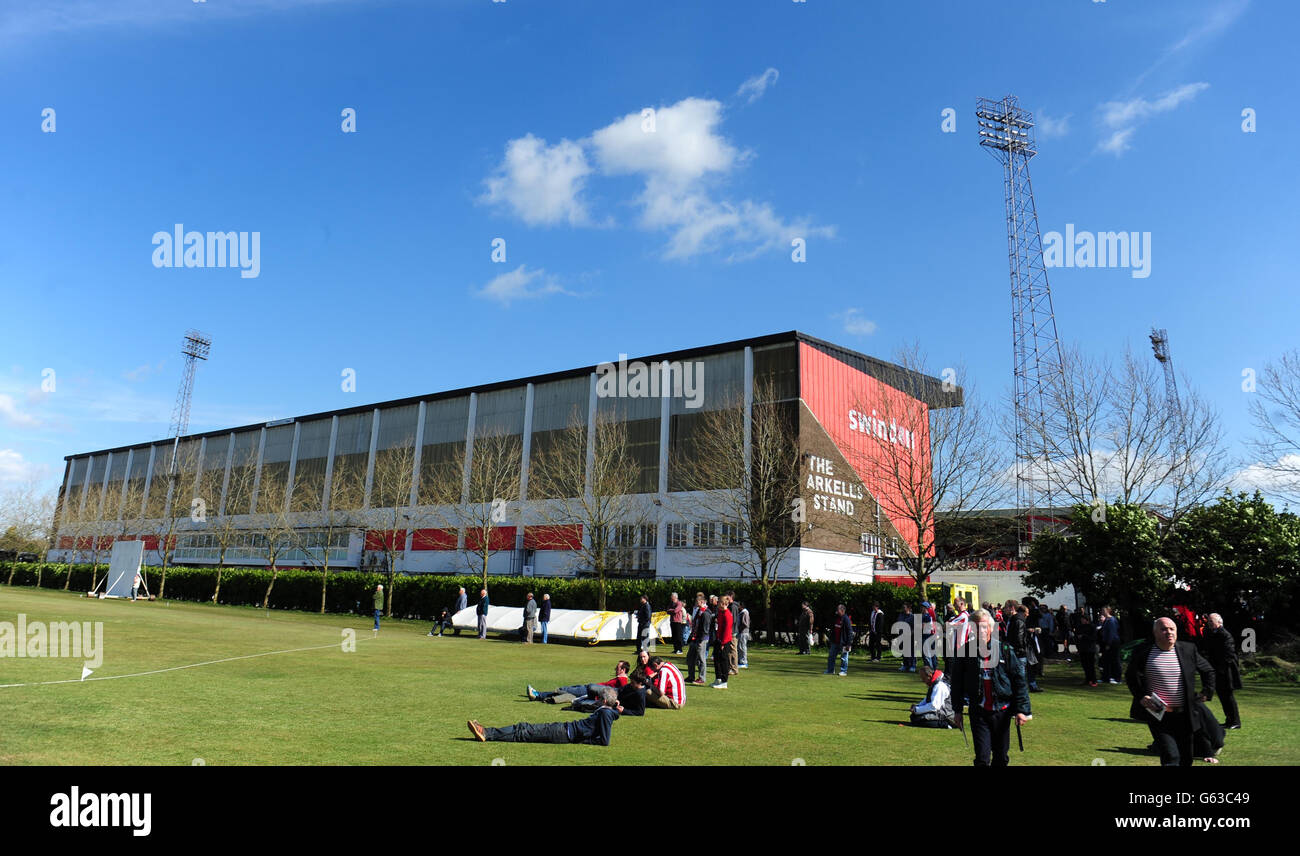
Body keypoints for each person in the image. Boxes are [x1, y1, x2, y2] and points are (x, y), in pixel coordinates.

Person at [1125, 617, 1217, 767]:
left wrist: (1207, 691)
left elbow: (1208, 670)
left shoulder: (1188, 650)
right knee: (1171, 755)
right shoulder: (1144, 652)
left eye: (1172, 629)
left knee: (1186, 758)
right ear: (1155, 633)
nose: (1169, 632)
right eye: (1164, 629)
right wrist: (1142, 696)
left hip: (1184, 714)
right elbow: (1131, 675)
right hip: (1159, 714)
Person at [950, 609, 1032, 766]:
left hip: (1002, 711)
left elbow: (1019, 680)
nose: (981, 631)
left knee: (1001, 757)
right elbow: (957, 683)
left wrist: (1022, 710)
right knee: (982, 758)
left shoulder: (1005, 650)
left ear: (991, 628)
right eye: (976, 627)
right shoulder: (965, 651)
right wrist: (957, 710)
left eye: (984, 627)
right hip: (978, 711)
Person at [469, 686, 621, 746]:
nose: (597, 699)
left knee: (524, 731)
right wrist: (617, 710)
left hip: (565, 733)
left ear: (605, 700)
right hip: (564, 729)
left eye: (599, 698)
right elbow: (610, 715)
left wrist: (583, 741)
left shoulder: (605, 713)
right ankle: (487, 732)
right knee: (524, 729)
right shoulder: (606, 711)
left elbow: (604, 740)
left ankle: (486, 733)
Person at [525, 660, 631, 703]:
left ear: (623, 670)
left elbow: (617, 694)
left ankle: (538, 694)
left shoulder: (622, 680)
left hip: (589, 691)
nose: (615, 669)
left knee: (564, 690)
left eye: (617, 667)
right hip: (589, 689)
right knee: (566, 692)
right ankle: (538, 695)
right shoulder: (620, 679)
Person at [1203, 613, 1241, 730]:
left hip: (1226, 671)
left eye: (1211, 621)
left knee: (1228, 696)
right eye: (1208, 621)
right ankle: (1229, 720)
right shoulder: (1212, 634)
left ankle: (1235, 721)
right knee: (1222, 695)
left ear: (1219, 622)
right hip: (1218, 670)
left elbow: (1228, 654)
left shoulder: (1225, 635)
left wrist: (1219, 668)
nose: (1209, 624)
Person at [909, 663, 954, 728]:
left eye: (923, 678)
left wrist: (917, 710)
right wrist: (917, 706)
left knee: (917, 719)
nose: (922, 681)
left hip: (947, 716)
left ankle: (946, 724)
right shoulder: (935, 683)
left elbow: (934, 706)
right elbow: (927, 699)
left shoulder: (939, 686)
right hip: (940, 712)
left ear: (929, 676)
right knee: (914, 717)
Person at [687, 595, 712, 685]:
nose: (696, 604)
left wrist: (701, 639)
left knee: (701, 659)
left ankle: (702, 678)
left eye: (697, 602)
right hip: (695, 638)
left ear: (701, 602)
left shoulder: (706, 613)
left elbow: (706, 628)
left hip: (701, 639)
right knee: (690, 658)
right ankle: (691, 676)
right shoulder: (699, 611)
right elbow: (695, 624)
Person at [711, 595, 734, 689]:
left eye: (719, 602)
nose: (717, 604)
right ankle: (718, 678)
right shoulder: (720, 612)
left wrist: (723, 643)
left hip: (725, 641)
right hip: (719, 639)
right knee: (716, 659)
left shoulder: (727, 614)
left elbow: (727, 630)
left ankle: (724, 681)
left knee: (724, 661)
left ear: (724, 603)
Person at [824, 604, 852, 677]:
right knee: (831, 656)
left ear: (842, 611)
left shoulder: (846, 619)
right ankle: (830, 670)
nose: (836, 611)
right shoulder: (836, 617)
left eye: (838, 610)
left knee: (844, 658)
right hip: (835, 642)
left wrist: (848, 644)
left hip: (844, 643)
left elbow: (849, 632)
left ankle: (843, 671)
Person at [1076, 611, 1099, 686]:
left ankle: (1094, 680)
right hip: (1083, 648)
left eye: (1083, 619)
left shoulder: (1092, 627)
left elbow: (1094, 638)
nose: (1082, 621)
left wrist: (1084, 636)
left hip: (1090, 648)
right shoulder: (1080, 627)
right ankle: (1088, 679)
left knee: (1090, 665)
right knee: (1085, 665)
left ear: (1087, 619)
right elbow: (1077, 636)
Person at [1098, 607, 1121, 683]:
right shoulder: (1107, 620)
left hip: (1113, 643)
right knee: (1106, 660)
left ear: (1108, 611)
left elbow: (1112, 633)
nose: (1102, 612)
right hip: (1107, 642)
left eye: (1103, 610)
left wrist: (1108, 644)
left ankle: (1117, 678)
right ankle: (1106, 677)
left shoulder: (1111, 620)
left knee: (1115, 660)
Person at [897, 602, 916, 672]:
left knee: (911, 652)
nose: (903, 609)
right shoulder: (901, 615)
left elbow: (915, 628)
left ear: (908, 608)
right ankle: (905, 665)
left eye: (904, 607)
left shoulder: (912, 616)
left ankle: (912, 666)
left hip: (910, 637)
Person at [726, 591, 741, 675]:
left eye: (727, 597)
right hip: (731, 631)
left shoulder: (733, 607)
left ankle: (734, 668)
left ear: (731, 597)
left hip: (732, 632)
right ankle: (731, 667)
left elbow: (733, 620)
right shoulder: (731, 606)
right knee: (730, 650)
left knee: (733, 650)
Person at [736, 601, 751, 668]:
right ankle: (740, 660)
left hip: (743, 632)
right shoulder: (742, 613)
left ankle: (744, 662)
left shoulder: (745, 613)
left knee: (742, 647)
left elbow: (746, 624)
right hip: (741, 632)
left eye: (739, 606)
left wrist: (739, 628)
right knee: (740, 647)